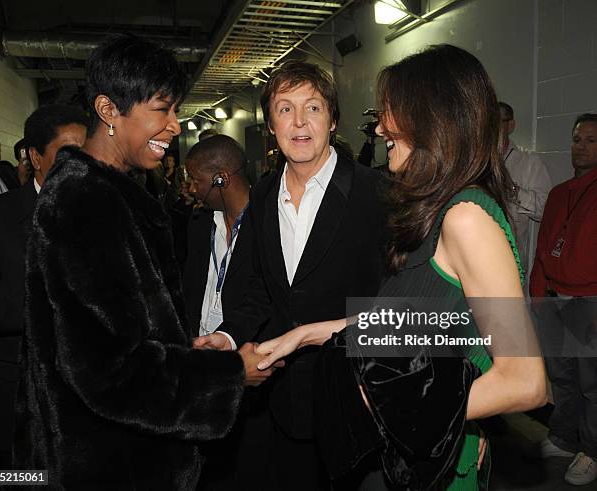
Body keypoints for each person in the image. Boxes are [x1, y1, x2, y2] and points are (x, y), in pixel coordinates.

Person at [257, 45, 546, 490]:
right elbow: (428, 319)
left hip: (440, 467)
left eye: (389, 115)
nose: (378, 128)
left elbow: (525, 381)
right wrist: (312, 332)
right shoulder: (435, 211)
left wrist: (390, 405)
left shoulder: (466, 217)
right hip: (411, 456)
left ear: (432, 118)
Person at [12, 34, 271, 490]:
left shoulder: (110, 192)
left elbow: (117, 334)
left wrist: (181, 349)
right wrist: (229, 377)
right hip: (105, 464)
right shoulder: (83, 201)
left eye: (175, 110)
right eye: (161, 109)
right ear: (109, 110)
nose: (174, 126)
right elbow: (109, 372)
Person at [194, 60, 388, 491]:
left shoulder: (377, 194)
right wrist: (226, 338)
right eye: (285, 109)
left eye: (313, 108)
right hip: (285, 401)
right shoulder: (263, 194)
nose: (299, 122)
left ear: (332, 120)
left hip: (360, 396)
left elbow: (400, 299)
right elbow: (261, 287)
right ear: (272, 125)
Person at [0, 104, 88, 467]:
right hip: (15, 393)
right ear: (34, 156)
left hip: (84, 398)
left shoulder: (105, 214)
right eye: (65, 154)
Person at [183, 135, 261, 490]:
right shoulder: (199, 225)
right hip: (201, 360)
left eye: (196, 180)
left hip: (248, 363)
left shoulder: (268, 224)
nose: (190, 188)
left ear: (221, 179)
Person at [530, 113, 597, 485]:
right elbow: (543, 249)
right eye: (577, 139)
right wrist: (539, 297)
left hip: (589, 302)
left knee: (592, 383)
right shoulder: (558, 194)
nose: (581, 147)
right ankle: (564, 437)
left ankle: (592, 450)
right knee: (563, 377)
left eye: (590, 140)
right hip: (555, 301)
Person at [498, 101, 551, 276]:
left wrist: (513, 191)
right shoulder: (472, 163)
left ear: (510, 125)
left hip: (509, 265)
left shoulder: (528, 163)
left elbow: (545, 210)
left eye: (498, 121)